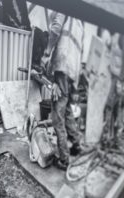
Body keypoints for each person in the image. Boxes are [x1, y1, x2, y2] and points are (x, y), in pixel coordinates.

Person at [42, 12, 85, 170]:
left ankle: (64, 159)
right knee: (67, 111)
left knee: (57, 117)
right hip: (72, 71)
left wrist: (47, 53)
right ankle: (77, 144)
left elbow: (55, 29)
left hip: (61, 65)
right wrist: (76, 82)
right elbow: (81, 53)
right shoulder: (80, 22)